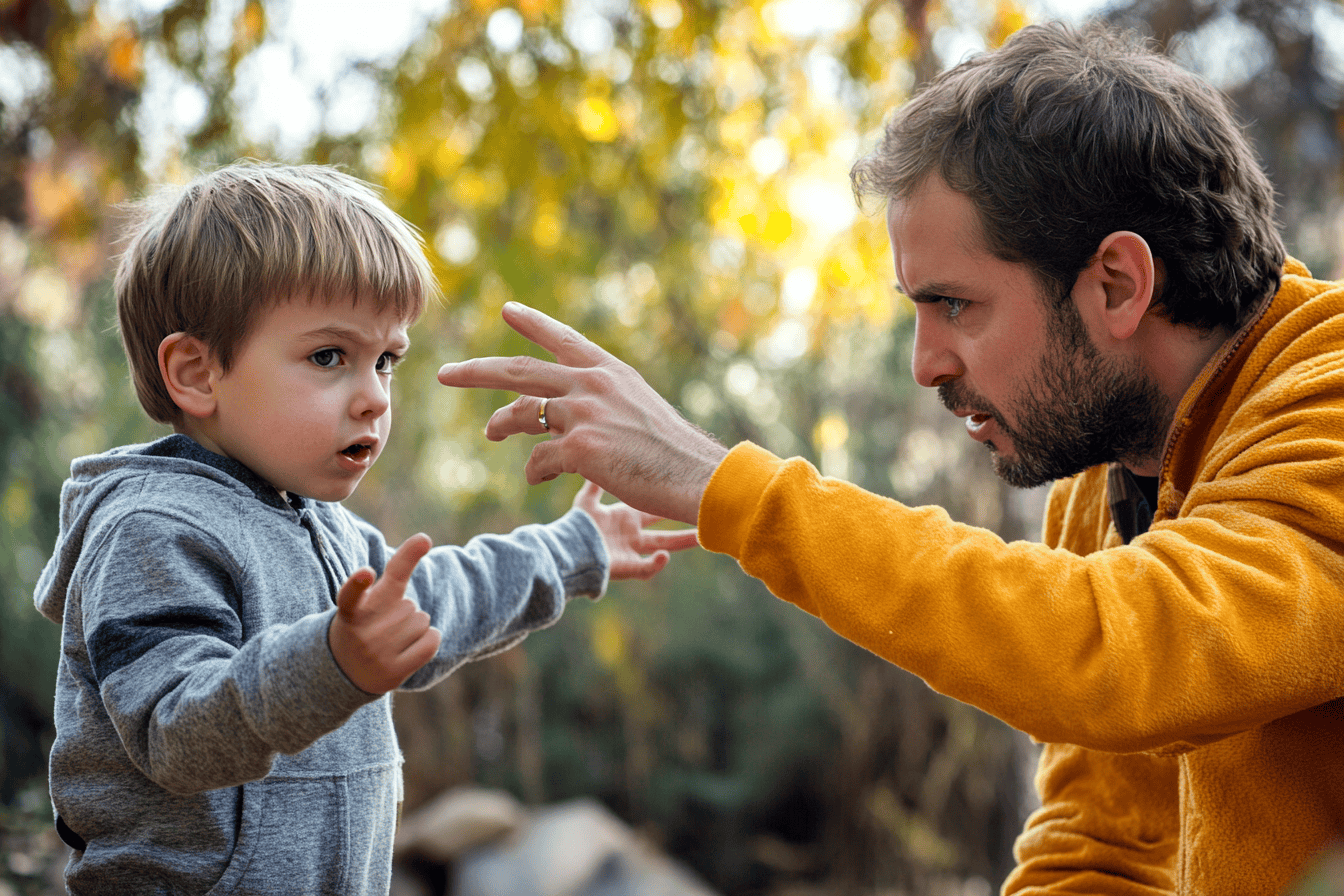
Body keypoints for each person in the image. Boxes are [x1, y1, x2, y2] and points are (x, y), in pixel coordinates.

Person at [435, 21, 1344, 895]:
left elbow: (1126, 654)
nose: (926, 364)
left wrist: (723, 486)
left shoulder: (1328, 399)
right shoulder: (1106, 474)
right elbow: (1103, 847)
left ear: (1116, 284)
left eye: (956, 305)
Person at [32, 160, 696, 895]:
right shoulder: (151, 529)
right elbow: (175, 730)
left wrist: (573, 549)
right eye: (329, 357)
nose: (375, 397)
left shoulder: (324, 527)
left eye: (385, 361)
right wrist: (332, 662)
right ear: (196, 373)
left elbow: (437, 600)